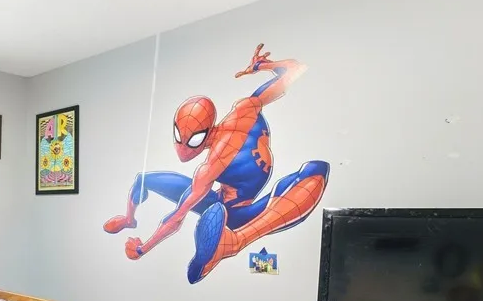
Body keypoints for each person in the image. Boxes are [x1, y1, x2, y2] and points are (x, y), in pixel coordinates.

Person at [103, 43, 329, 284]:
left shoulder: (212, 164)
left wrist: (141, 250)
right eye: (179, 137)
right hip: (217, 204)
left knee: (315, 173)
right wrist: (262, 66)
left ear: (209, 128)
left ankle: (235, 241)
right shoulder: (246, 108)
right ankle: (129, 219)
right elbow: (293, 69)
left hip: (241, 213)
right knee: (143, 179)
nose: (184, 149)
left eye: (194, 140)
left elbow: (176, 218)